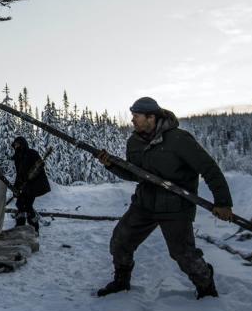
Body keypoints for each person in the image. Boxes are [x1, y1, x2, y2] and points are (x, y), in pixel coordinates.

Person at [95, 97, 233, 299]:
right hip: (145, 204)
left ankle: (206, 287)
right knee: (120, 241)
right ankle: (121, 282)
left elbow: (209, 169)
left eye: (136, 116)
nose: (132, 120)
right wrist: (111, 165)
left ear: (151, 117)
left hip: (176, 208)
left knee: (183, 254)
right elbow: (135, 174)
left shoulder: (179, 139)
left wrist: (223, 203)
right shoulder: (134, 142)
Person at [11, 136, 51, 235]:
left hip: (34, 185)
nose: (16, 146)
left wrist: (33, 173)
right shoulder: (17, 157)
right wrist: (16, 188)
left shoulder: (31, 153)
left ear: (23, 144)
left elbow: (40, 166)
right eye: (15, 144)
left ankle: (34, 228)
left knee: (27, 205)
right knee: (20, 205)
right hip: (25, 185)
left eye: (18, 144)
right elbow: (19, 174)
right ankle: (20, 226)